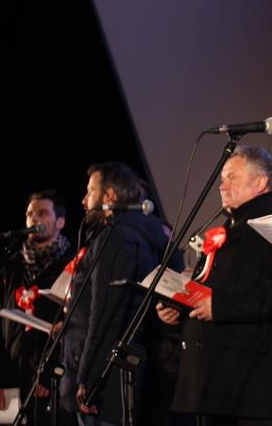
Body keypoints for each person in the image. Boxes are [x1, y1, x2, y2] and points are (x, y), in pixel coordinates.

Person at [156, 146, 272, 426]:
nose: (222, 186)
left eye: (232, 177)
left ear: (261, 182)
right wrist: (177, 311)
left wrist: (218, 306)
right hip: (217, 382)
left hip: (257, 388)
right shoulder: (229, 229)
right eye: (222, 179)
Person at [60, 162, 167, 426]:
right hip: (113, 371)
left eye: (90, 191)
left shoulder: (116, 238)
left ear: (109, 195)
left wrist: (87, 377)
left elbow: (105, 312)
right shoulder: (136, 234)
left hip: (106, 380)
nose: (84, 200)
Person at [0, 190, 76, 426]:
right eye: (30, 214)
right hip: (14, 379)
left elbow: (77, 326)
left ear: (60, 222)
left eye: (42, 213)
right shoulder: (10, 267)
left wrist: (51, 372)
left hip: (54, 383)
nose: (34, 219)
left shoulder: (73, 265)